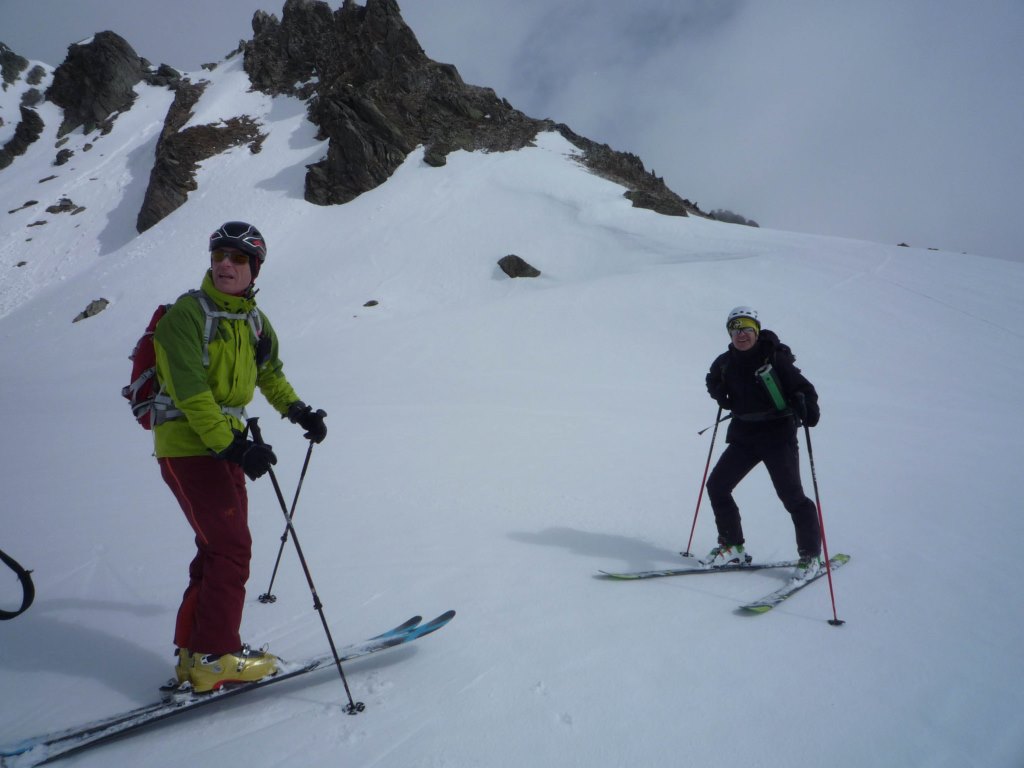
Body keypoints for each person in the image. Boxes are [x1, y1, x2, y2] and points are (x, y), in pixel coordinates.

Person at [153, 221, 328, 692]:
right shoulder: (185, 317)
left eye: (237, 258)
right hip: (189, 448)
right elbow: (191, 394)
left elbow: (269, 374)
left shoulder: (253, 321)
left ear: (254, 268)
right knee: (232, 547)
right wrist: (233, 445)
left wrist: (299, 411)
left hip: (228, 446)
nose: (225, 264)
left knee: (216, 548)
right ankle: (216, 655)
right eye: (218, 256)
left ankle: (194, 652)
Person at [702, 306, 822, 579]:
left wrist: (807, 408)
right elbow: (711, 380)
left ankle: (811, 555)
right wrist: (720, 394)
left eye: (745, 327)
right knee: (718, 486)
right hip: (744, 434)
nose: (740, 334)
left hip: (777, 435)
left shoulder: (775, 358)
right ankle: (732, 546)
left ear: (755, 330)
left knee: (792, 497)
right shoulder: (725, 362)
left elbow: (805, 389)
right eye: (735, 329)